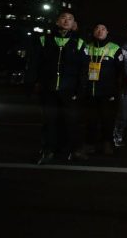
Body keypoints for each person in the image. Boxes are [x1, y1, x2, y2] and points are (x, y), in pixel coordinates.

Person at [27, 10, 88, 164]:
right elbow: (34, 64)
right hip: (48, 89)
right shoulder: (43, 39)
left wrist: (80, 89)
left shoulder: (79, 42)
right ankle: (47, 151)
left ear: (74, 23)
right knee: (49, 121)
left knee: (70, 122)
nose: (66, 21)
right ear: (57, 22)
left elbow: (84, 69)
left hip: (70, 90)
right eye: (63, 18)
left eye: (70, 19)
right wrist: (33, 83)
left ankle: (70, 151)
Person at [83, 23, 123, 155]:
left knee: (107, 119)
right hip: (89, 90)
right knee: (90, 120)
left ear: (107, 32)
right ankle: (90, 144)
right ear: (93, 31)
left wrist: (116, 90)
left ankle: (107, 143)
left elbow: (120, 71)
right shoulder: (86, 47)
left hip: (107, 92)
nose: (100, 31)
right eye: (97, 28)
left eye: (103, 29)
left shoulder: (114, 48)